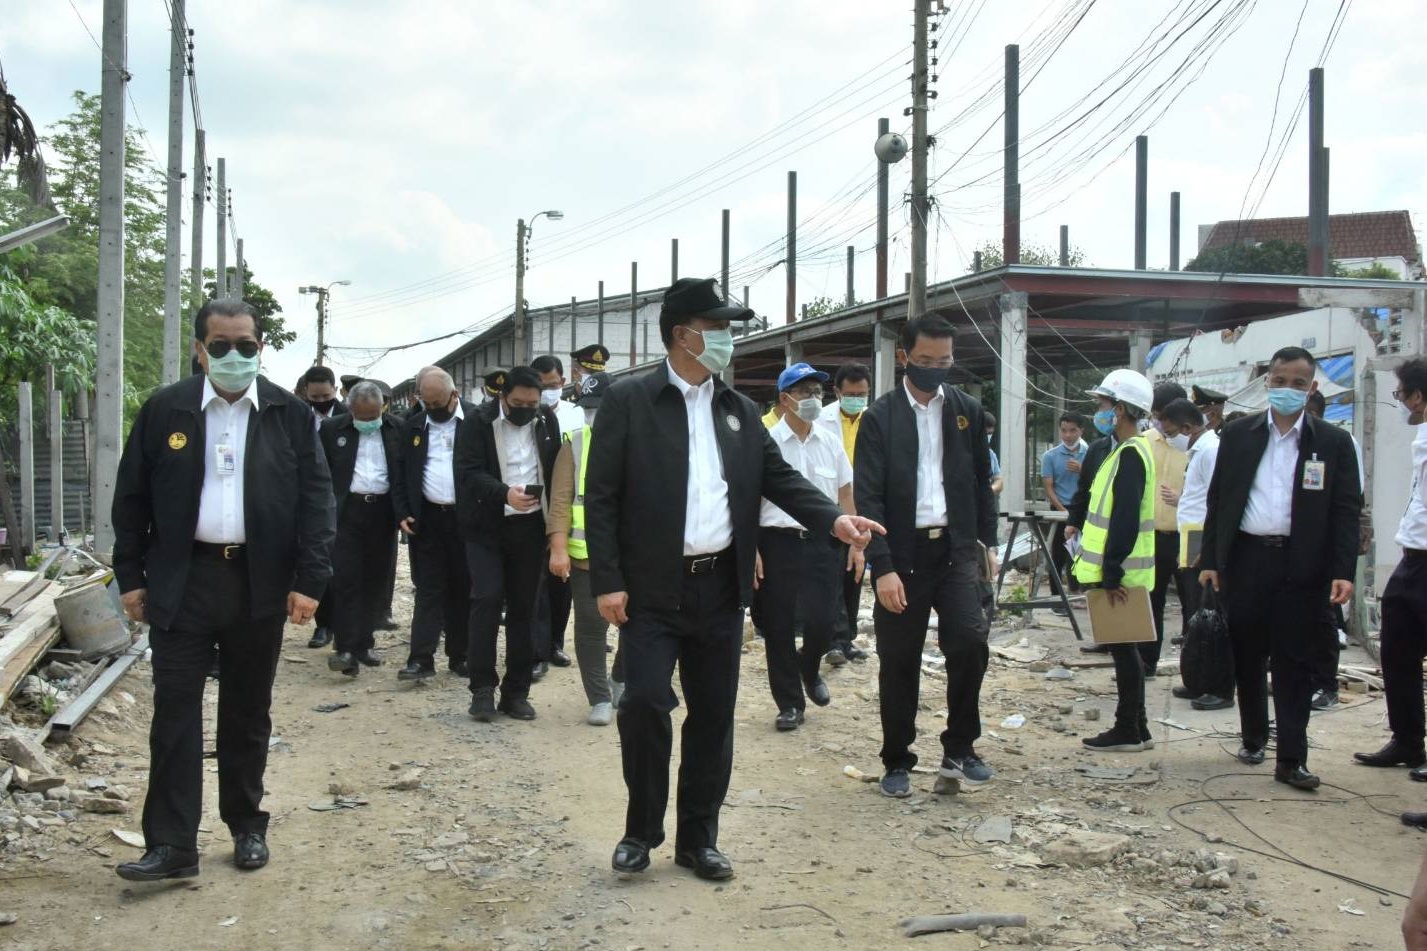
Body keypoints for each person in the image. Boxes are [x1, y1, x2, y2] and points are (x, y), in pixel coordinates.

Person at [585, 276, 882, 881]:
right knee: (643, 703)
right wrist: (608, 580)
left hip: (720, 587)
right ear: (682, 334)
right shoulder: (629, 401)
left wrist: (835, 519)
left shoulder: (739, 411)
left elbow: (781, 480)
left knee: (714, 713)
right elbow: (603, 495)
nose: (727, 339)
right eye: (716, 328)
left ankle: (699, 840)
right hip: (651, 589)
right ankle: (641, 831)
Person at [112, 299, 335, 881]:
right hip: (182, 581)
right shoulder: (166, 410)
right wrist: (130, 577)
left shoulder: (288, 414)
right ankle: (172, 844)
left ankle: (246, 825)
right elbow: (131, 499)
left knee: (247, 710)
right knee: (174, 710)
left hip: (258, 583)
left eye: (245, 345)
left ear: (261, 348)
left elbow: (317, 502)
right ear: (199, 349)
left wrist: (310, 580)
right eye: (220, 345)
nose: (234, 355)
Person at [1200, 347, 1362, 791]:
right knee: (1248, 654)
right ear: (1267, 383)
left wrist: (1343, 569)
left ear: (1311, 388)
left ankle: (1292, 759)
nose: (1287, 389)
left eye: (1297, 383)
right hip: (1247, 560)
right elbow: (1219, 500)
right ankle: (1253, 737)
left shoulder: (1332, 442)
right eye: (1280, 381)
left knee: (1295, 661)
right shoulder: (1238, 435)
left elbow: (1346, 510)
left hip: (1302, 565)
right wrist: (1210, 560)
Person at [855, 316, 1000, 799]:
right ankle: (897, 758)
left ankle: (960, 747)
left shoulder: (966, 411)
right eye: (925, 360)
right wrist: (883, 566)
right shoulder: (880, 418)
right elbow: (868, 497)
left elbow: (981, 482)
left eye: (944, 361)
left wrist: (987, 546)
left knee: (970, 642)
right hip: (903, 554)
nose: (935, 368)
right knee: (899, 659)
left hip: (956, 550)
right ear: (904, 357)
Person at [455, 365, 562, 721]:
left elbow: (554, 467)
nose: (525, 410)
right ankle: (482, 690)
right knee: (486, 599)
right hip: (486, 527)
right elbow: (468, 472)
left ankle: (516, 693)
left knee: (524, 609)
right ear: (502, 396)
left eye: (532, 404)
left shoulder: (545, 420)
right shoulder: (477, 422)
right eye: (518, 403)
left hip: (530, 529)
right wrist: (504, 494)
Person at [756, 363, 858, 731]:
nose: (814, 398)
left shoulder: (830, 442)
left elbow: (845, 494)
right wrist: (752, 548)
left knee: (822, 620)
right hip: (776, 542)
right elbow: (748, 498)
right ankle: (789, 703)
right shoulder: (766, 442)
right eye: (805, 392)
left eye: (818, 391)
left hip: (823, 543)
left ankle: (809, 667)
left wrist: (856, 541)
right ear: (785, 399)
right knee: (778, 626)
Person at [1072, 370, 1158, 751]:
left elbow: (1125, 517)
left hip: (1122, 574)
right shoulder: (1127, 451)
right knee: (1127, 649)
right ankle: (1139, 726)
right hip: (1124, 571)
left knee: (1124, 651)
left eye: (1104, 404)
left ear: (1120, 409)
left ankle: (1128, 729)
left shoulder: (1131, 455)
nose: (1100, 411)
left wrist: (1111, 571)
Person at [1356, 358, 1427, 778]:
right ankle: (1408, 740)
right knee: (1397, 651)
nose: (1399, 402)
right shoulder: (1422, 437)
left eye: (1400, 394)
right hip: (1412, 557)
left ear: (1417, 396)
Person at [394, 368, 478, 680]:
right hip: (428, 520)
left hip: (467, 521)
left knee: (463, 589)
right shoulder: (413, 425)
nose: (432, 409)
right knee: (428, 590)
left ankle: (461, 655)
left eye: (438, 404)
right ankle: (421, 659)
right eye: (426, 404)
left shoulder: (478, 421)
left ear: (454, 395)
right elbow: (400, 472)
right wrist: (402, 511)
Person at [547, 371, 619, 725]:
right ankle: (600, 697)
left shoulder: (642, 441)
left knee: (639, 624)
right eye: (588, 408)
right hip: (586, 556)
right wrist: (558, 548)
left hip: (633, 556)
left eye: (600, 408)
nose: (593, 415)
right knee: (591, 627)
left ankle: (620, 678)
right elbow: (560, 501)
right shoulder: (574, 443)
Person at [318, 381, 401, 676]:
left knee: (375, 581)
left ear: (383, 408)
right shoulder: (331, 430)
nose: (368, 422)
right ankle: (345, 648)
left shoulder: (398, 429)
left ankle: (365, 643)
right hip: (347, 513)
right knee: (346, 580)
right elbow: (321, 473)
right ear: (350, 409)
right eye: (362, 417)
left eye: (374, 416)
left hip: (383, 512)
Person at [1159, 398, 1232, 710]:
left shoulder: (1211, 451)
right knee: (1195, 615)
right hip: (1191, 541)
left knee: (1213, 617)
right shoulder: (1198, 451)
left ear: (1187, 428)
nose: (1168, 439)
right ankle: (1198, 680)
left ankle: (1219, 686)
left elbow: (1219, 501)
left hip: (1203, 544)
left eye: (1170, 432)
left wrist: (1209, 551)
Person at [531, 355, 584, 673]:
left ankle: (555, 644)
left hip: (567, 508)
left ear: (562, 382)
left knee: (562, 583)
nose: (546, 390)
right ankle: (538, 650)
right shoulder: (528, 415)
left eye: (552, 385)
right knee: (538, 582)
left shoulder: (577, 414)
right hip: (534, 506)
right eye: (541, 385)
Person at [819, 363, 873, 666]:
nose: (856, 399)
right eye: (850, 394)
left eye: (861, 394)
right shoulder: (822, 419)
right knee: (834, 573)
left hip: (863, 506)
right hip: (833, 504)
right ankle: (833, 641)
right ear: (837, 392)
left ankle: (847, 639)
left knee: (855, 572)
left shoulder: (873, 419)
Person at [1141, 383, 1189, 678]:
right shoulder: (1145, 441)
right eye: (1156, 415)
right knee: (1152, 601)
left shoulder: (1199, 445)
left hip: (1189, 537)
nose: (1159, 422)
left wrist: (1182, 500)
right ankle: (1147, 663)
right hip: (1153, 535)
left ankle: (1194, 670)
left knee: (1193, 604)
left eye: (1163, 416)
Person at [302, 365, 347, 649]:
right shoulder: (297, 415)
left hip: (342, 503)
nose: (320, 402)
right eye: (314, 397)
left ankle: (344, 627)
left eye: (326, 397)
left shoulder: (348, 416)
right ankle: (323, 624)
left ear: (336, 391)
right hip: (308, 502)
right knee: (318, 564)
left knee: (343, 568)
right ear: (306, 392)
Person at [1041, 412, 1087, 607]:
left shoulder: (1090, 453)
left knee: (1078, 553)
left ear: (1081, 430)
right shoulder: (1050, 456)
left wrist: (1082, 470)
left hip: (1083, 509)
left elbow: (1096, 481)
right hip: (1060, 508)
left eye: (1072, 431)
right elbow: (1048, 487)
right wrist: (1063, 511)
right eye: (1064, 431)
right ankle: (1056, 596)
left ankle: (1077, 592)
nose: (1068, 435)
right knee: (1058, 553)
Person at [368, 379, 401, 632]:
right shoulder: (338, 427)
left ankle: (382, 611)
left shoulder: (398, 428)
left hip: (386, 505)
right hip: (351, 508)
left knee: (385, 564)